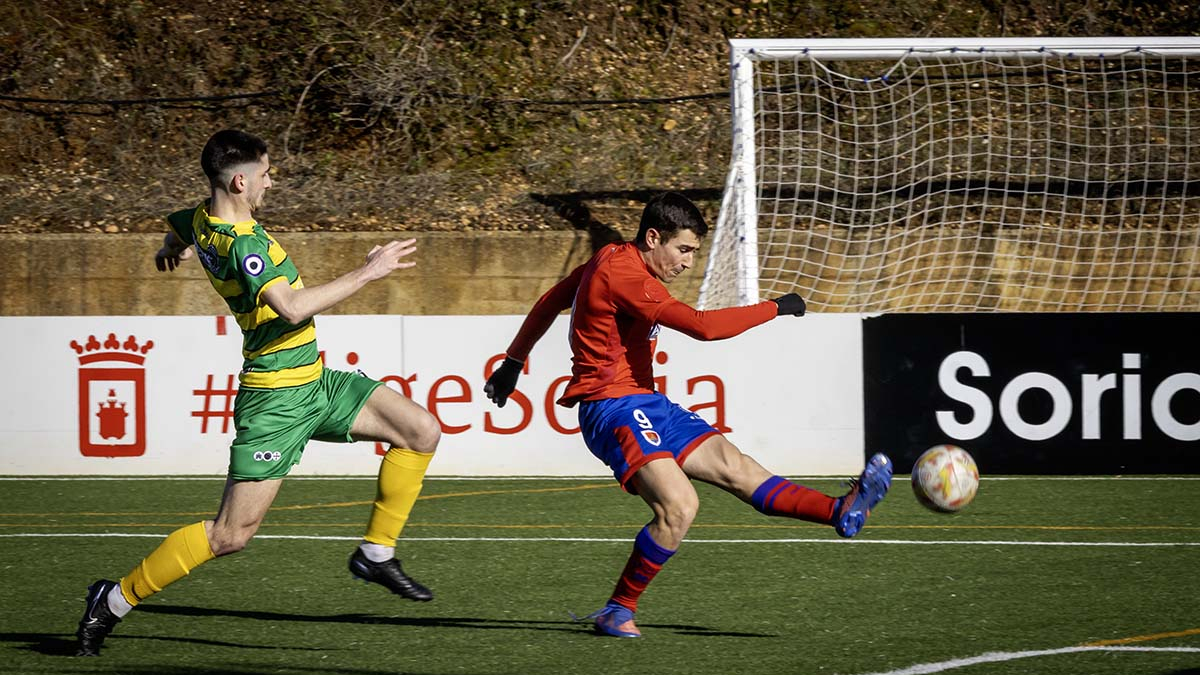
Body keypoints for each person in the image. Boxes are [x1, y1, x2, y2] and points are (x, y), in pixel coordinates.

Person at [75, 129, 442, 657]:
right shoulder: (244, 243)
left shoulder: (204, 218)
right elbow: (291, 307)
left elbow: (177, 226)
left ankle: (375, 554)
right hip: (274, 400)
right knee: (229, 536)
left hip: (314, 381)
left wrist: (168, 249)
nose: (273, 181)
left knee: (420, 429)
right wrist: (370, 270)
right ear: (241, 181)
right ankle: (112, 600)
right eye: (268, 173)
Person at [484, 191, 892, 638]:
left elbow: (550, 300)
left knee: (738, 469)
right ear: (653, 237)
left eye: (694, 252)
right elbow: (704, 327)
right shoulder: (626, 276)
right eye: (683, 250)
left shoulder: (611, 256)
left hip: (647, 402)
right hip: (611, 407)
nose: (687, 263)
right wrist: (777, 307)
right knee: (680, 506)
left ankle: (839, 510)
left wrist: (513, 362)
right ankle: (617, 610)